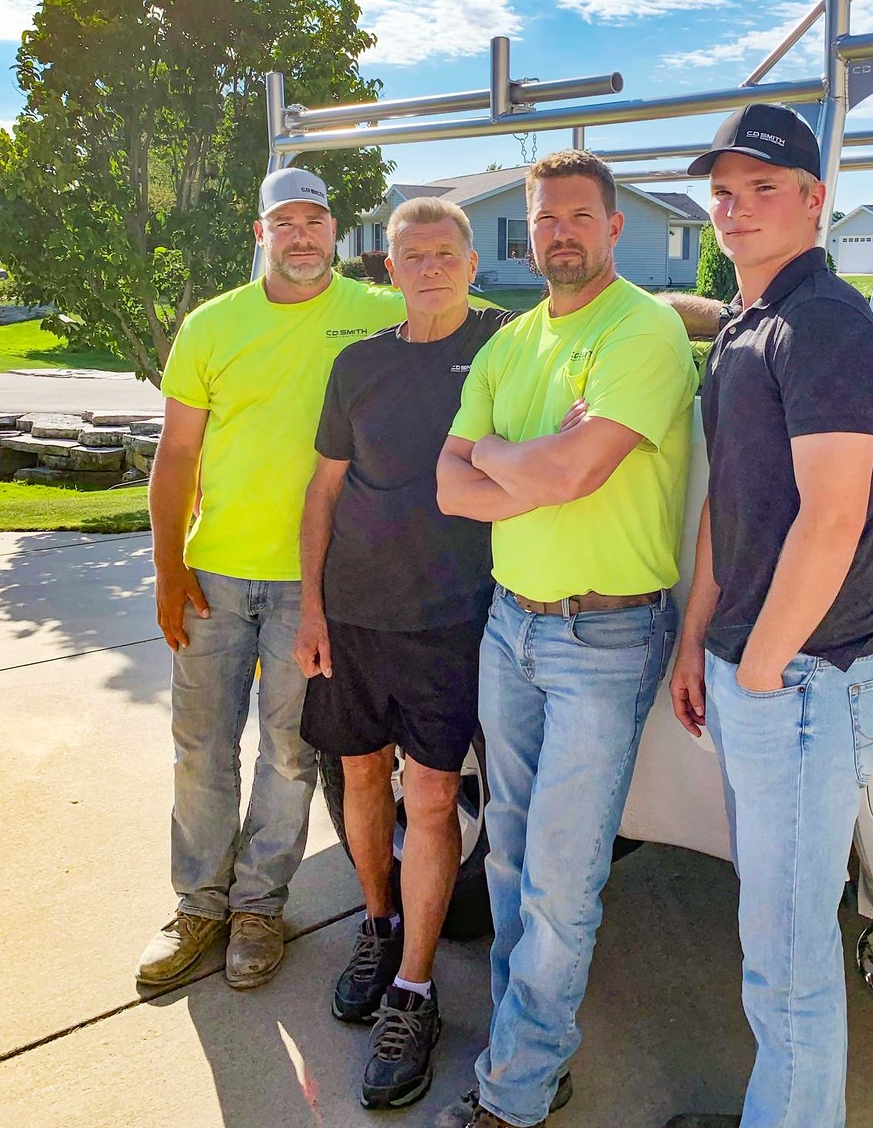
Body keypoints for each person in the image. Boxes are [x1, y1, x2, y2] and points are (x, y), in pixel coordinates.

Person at [434, 149, 697, 1128]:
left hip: (603, 636)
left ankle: (514, 1090)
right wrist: (523, 458)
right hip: (511, 626)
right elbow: (448, 484)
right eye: (543, 219)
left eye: (578, 216)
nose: (558, 234)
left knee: (558, 876)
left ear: (615, 225)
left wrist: (511, 460)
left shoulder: (645, 330)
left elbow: (575, 477)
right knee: (506, 855)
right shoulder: (511, 345)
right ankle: (524, 1044)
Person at [664, 105, 873, 1128]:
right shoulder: (747, 326)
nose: (737, 208)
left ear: (815, 199)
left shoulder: (826, 323)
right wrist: (698, 639)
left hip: (807, 678)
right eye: (723, 191)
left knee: (790, 948)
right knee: (771, 933)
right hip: (758, 667)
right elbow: (734, 503)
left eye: (765, 187)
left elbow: (834, 513)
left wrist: (759, 669)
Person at [137, 168, 406, 991]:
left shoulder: (378, 315)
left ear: (337, 233)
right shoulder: (212, 326)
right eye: (284, 221)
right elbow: (177, 453)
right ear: (261, 234)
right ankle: (198, 907)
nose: (301, 235)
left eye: (315, 220)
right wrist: (167, 565)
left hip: (314, 583)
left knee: (290, 755)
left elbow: (510, 325)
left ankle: (259, 908)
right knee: (201, 749)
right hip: (217, 574)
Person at [293, 197, 518, 1110]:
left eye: (444, 252)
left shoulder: (508, 346)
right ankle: (379, 926)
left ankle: (415, 992)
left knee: (430, 797)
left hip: (449, 621)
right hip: (351, 616)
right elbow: (322, 492)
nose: (428, 267)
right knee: (358, 777)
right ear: (389, 268)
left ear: (472, 262)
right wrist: (310, 608)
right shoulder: (358, 364)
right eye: (410, 255)